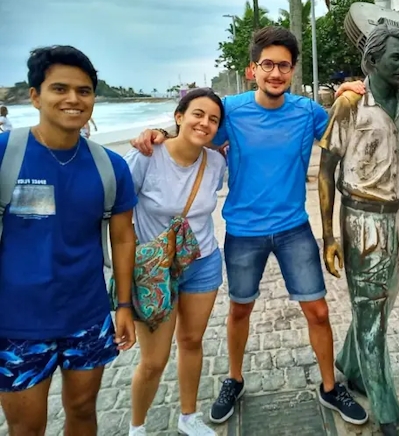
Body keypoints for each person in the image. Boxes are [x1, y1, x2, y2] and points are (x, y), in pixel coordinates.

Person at [129, 26, 367, 426]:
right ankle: (234, 379)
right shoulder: (232, 111)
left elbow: (340, 136)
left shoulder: (306, 112)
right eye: (268, 65)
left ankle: (329, 387)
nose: (276, 73)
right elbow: (196, 132)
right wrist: (160, 133)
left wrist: (352, 95)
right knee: (240, 310)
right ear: (252, 68)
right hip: (242, 230)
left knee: (319, 312)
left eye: (284, 66)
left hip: (294, 227)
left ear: (292, 71)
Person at [0, 46, 137, 435]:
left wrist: (123, 304)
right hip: (16, 323)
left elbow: (123, 238)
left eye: (84, 90)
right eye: (59, 88)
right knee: (26, 427)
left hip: (87, 317)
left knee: (82, 411)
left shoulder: (110, 166)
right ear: (34, 96)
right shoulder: (6, 156)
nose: (73, 99)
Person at [318, 22, 399, 436]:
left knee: (379, 309)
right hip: (362, 219)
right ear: (372, 60)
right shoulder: (350, 105)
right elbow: (326, 171)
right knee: (371, 315)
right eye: (397, 57)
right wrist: (328, 235)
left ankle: (350, 365)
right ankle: (385, 407)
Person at [126, 88, 227, 436]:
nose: (205, 123)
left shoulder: (216, 163)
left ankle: (188, 417)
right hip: (155, 270)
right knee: (153, 361)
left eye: (213, 119)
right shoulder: (146, 155)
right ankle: (137, 427)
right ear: (179, 116)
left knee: (192, 342)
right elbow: (119, 213)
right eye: (198, 114)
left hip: (203, 263)